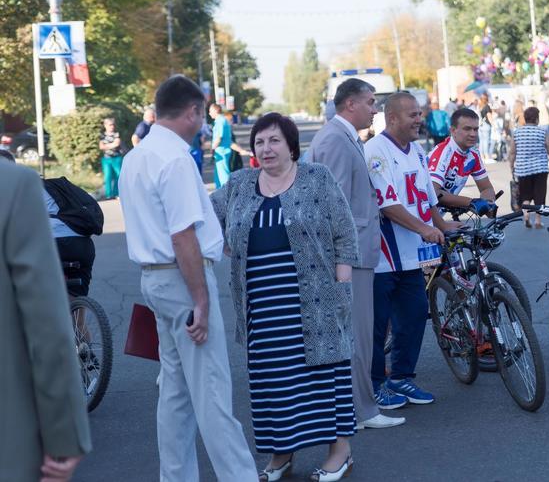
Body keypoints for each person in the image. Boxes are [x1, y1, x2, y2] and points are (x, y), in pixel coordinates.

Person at [118, 75, 259, 482]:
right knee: (212, 394)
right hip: (183, 283)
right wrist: (201, 299)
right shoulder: (176, 159)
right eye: (202, 116)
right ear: (193, 112)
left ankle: (176, 477)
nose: (203, 125)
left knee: (176, 395)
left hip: (156, 280)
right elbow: (183, 236)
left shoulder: (137, 156)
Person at [212, 113, 360, 482]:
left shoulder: (316, 178)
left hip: (316, 303)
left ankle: (340, 453)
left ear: (292, 146)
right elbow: (203, 219)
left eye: (274, 141)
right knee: (274, 383)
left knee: (326, 378)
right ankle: (282, 455)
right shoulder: (239, 184)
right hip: (263, 308)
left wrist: (342, 283)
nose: (266, 148)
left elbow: (344, 230)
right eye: (260, 142)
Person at [307, 78, 406, 432]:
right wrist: (340, 261)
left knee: (354, 334)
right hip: (350, 255)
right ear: (350, 104)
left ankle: (353, 409)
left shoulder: (341, 136)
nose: (375, 108)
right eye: (370, 102)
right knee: (358, 335)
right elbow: (332, 207)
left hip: (354, 252)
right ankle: (361, 411)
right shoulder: (335, 139)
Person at [364, 92, 461, 409]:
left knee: (416, 314)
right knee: (379, 324)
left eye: (420, 114)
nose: (420, 120)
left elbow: (428, 200)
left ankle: (402, 378)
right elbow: (387, 204)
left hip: (412, 255)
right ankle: (375, 385)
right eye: (413, 115)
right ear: (392, 118)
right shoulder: (375, 151)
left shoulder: (418, 151)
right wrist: (424, 230)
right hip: (383, 256)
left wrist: (442, 225)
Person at [0, 159, 92, 482]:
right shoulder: (15, 184)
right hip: (78, 246)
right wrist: (65, 435)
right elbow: (45, 323)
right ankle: (84, 335)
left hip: (61, 243)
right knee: (72, 297)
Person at [428, 108, 496, 210]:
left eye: (476, 129)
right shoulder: (444, 152)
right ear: (453, 130)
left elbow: (486, 188)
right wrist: (471, 202)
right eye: (467, 129)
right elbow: (433, 193)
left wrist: (488, 203)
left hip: (436, 216)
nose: (473, 134)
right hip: (418, 218)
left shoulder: (473, 154)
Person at [510, 106, 549, 228]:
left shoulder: (517, 133)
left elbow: (512, 152)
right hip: (540, 169)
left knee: (525, 194)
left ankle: (526, 215)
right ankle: (537, 220)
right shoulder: (542, 132)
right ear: (537, 119)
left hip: (523, 169)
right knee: (539, 194)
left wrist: (512, 167)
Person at [99, 117, 124, 200]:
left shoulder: (117, 134)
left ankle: (117, 193)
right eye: (110, 125)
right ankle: (109, 195)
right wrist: (111, 145)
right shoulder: (102, 135)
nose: (112, 126)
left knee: (118, 175)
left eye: (113, 125)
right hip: (106, 159)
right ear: (105, 125)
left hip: (117, 158)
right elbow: (101, 146)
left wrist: (106, 146)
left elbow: (117, 144)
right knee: (108, 176)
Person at [210, 102, 233, 188]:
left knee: (223, 175)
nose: (209, 113)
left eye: (210, 111)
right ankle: (221, 194)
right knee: (219, 174)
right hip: (223, 150)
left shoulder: (220, 121)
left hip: (222, 150)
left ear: (216, 110)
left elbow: (219, 138)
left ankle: (227, 195)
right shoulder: (222, 120)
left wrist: (212, 149)